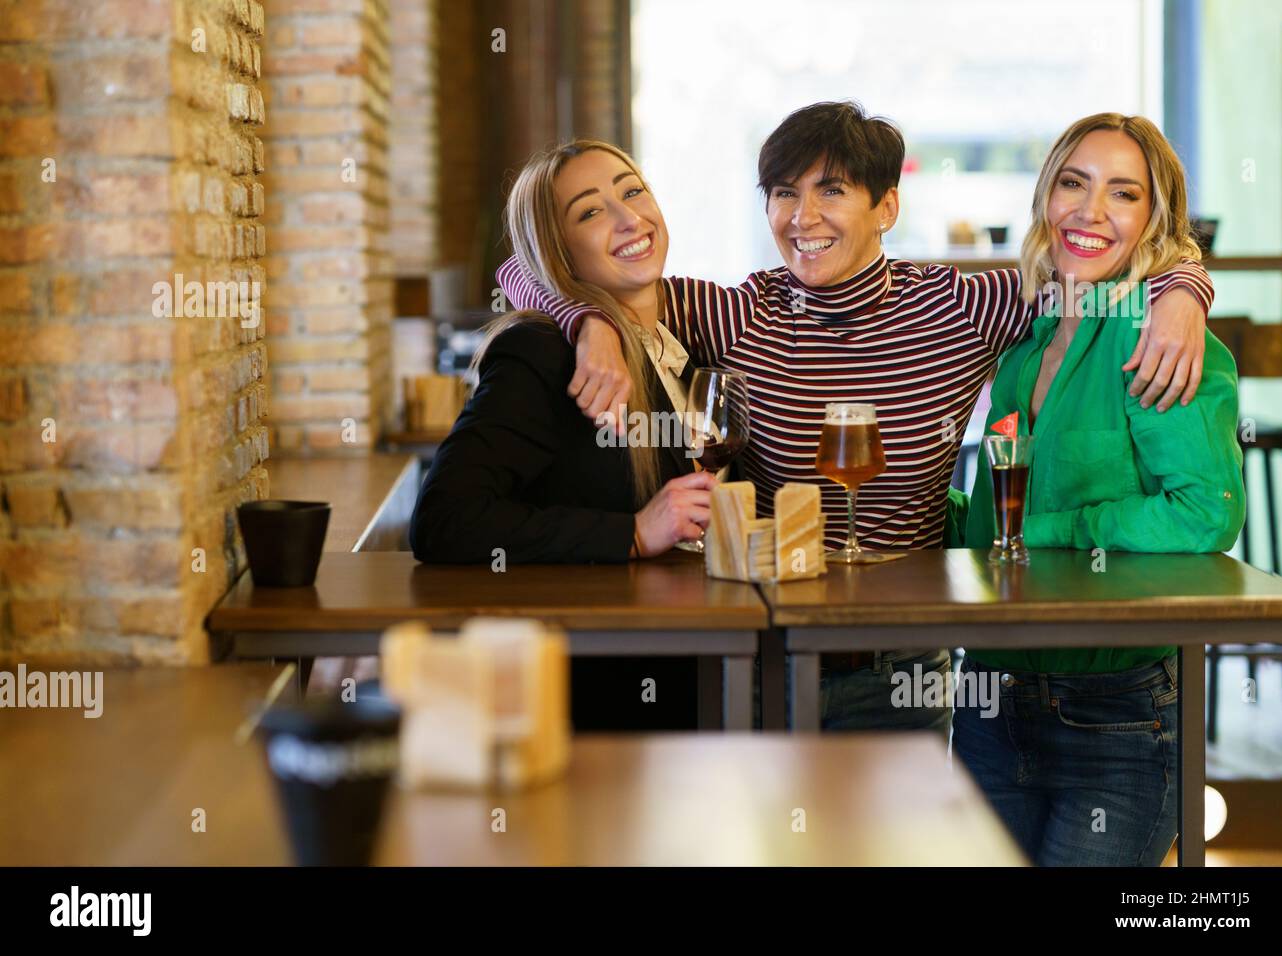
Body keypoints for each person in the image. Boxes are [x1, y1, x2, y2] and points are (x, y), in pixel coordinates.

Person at [497, 101, 1215, 733]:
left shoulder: (963, 306)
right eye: (784, 194)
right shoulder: (737, 312)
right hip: (765, 655)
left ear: (887, 208)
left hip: (903, 664)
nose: (802, 218)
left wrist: (1185, 290)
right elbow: (523, 269)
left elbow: (1101, 262)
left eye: (831, 191)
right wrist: (588, 318)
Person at [954, 113, 1246, 866]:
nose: (1089, 212)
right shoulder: (1025, 336)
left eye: (1124, 194)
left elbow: (1203, 514)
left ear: (1157, 218)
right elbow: (997, 514)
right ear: (1046, 196)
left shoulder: (1160, 335)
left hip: (1118, 710)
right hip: (993, 695)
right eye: (1073, 183)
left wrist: (1058, 530)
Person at [410, 140, 716, 730]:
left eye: (632, 191)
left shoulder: (683, 332)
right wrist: (629, 533)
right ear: (559, 253)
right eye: (590, 211)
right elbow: (445, 519)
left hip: (689, 667)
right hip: (594, 698)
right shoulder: (543, 352)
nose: (629, 218)